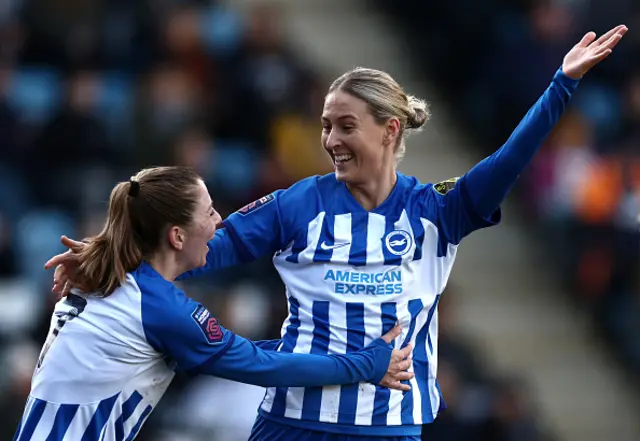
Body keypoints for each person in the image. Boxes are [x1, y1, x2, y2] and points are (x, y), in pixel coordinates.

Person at [47, 25, 628, 441]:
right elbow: (193, 250)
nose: (330, 140)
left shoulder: (435, 212)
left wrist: (561, 85)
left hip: (386, 427)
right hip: (292, 422)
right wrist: (108, 259)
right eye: (325, 126)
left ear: (389, 130)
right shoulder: (299, 203)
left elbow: (506, 162)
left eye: (346, 125)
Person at [14, 166, 415, 441]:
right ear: (176, 236)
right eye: (208, 212)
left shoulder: (114, 277)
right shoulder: (159, 308)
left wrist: (347, 349)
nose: (219, 221)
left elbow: (251, 353)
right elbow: (260, 366)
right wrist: (364, 365)